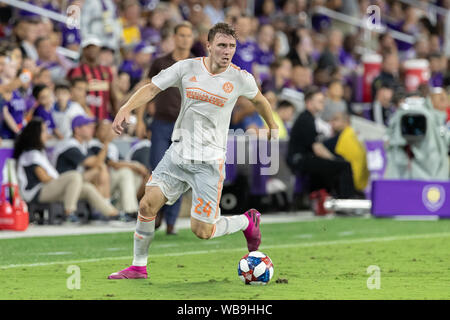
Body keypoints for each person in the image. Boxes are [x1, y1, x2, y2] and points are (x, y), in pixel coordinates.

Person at [108, 22, 278, 280]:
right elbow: (152, 87)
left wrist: (273, 126)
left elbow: (260, 100)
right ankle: (138, 266)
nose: (227, 51)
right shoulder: (186, 68)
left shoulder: (240, 77)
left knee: (202, 231)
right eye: (222, 45)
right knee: (147, 204)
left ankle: (246, 222)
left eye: (232, 46)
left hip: (209, 163)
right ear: (209, 45)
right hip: (178, 153)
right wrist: (126, 107)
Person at [135, 21, 195, 235]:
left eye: (189, 35)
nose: (185, 39)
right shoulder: (161, 62)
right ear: (174, 37)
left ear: (192, 38)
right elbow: (146, 88)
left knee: (180, 172)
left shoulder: (198, 64)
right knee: (157, 170)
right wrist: (140, 119)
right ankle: (155, 211)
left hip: (186, 127)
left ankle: (171, 223)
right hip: (161, 123)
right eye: (181, 35)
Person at [14, 118, 119, 224]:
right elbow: (44, 178)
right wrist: (61, 182)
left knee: (87, 188)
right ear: (36, 134)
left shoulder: (39, 152)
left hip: (49, 189)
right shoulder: (30, 154)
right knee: (75, 176)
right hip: (36, 193)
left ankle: (113, 213)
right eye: (44, 131)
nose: (47, 134)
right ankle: (69, 213)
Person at [287, 87, 356, 203]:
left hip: (305, 158)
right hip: (300, 159)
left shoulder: (309, 118)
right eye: (319, 101)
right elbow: (316, 148)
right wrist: (334, 159)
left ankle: (333, 198)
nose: (323, 103)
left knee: (339, 162)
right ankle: (346, 201)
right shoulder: (305, 119)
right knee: (343, 165)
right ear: (309, 102)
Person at [51, 115, 111, 200]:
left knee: (101, 168)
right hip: (63, 181)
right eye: (88, 127)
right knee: (100, 168)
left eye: (92, 127)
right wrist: (106, 142)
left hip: (75, 178)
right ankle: (104, 205)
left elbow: (96, 162)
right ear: (77, 129)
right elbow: (96, 162)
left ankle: (104, 206)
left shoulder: (82, 144)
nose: (92, 129)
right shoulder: (69, 145)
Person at [66, 36, 118, 120]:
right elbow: (72, 95)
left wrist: (117, 115)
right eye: (88, 47)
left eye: (94, 47)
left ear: (99, 49)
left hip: (103, 118)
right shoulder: (76, 71)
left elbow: (113, 96)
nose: (91, 50)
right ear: (83, 50)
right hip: (82, 118)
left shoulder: (106, 71)